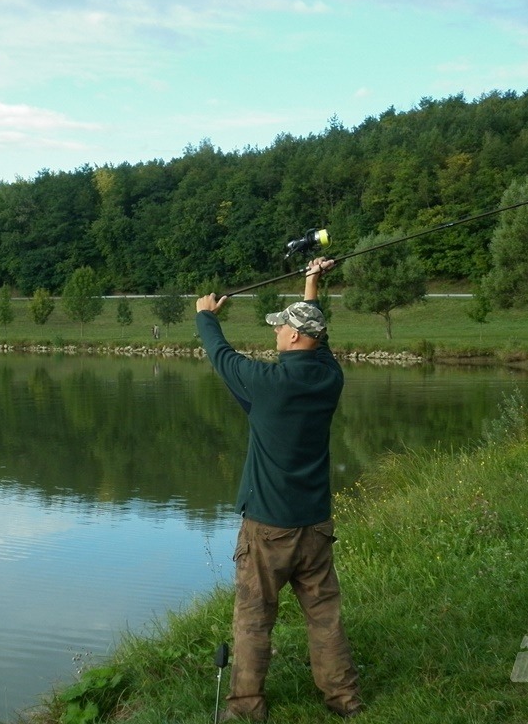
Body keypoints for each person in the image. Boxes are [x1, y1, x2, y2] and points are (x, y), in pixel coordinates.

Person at [195, 257, 363, 722]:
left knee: (253, 619)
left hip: (267, 527)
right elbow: (318, 337)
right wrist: (311, 284)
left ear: (293, 337)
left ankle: (247, 708)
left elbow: (221, 357)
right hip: (315, 524)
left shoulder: (268, 381)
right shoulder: (329, 376)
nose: (275, 333)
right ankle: (344, 701)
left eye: (279, 328)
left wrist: (205, 316)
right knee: (324, 615)